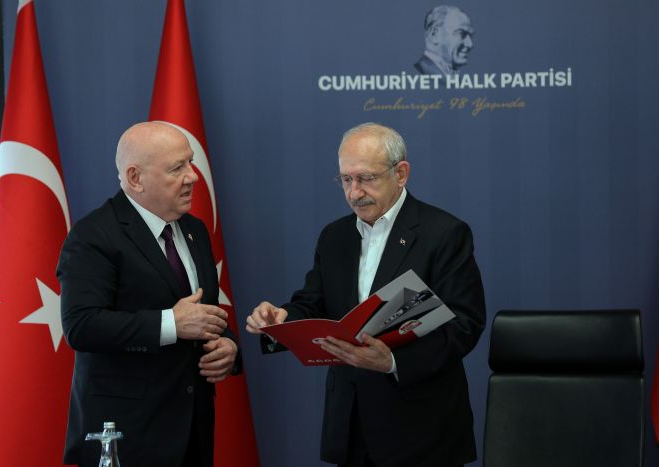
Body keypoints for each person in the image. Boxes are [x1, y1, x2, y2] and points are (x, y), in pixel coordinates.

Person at [246, 122, 485, 467]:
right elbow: (313, 304)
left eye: (366, 178)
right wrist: (281, 320)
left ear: (401, 173)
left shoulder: (444, 233)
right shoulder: (334, 237)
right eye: (346, 179)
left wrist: (392, 361)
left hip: (421, 430)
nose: (354, 192)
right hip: (351, 426)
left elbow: (465, 323)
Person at [57, 121, 240, 467]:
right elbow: (81, 326)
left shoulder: (195, 230)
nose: (192, 176)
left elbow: (201, 315)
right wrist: (171, 324)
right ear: (135, 177)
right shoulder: (94, 235)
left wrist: (227, 346)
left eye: (190, 162)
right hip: (128, 435)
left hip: (193, 431)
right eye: (177, 168)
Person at [414, 5, 474, 76]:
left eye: (470, 36)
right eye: (461, 34)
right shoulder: (420, 72)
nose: (470, 44)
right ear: (434, 35)